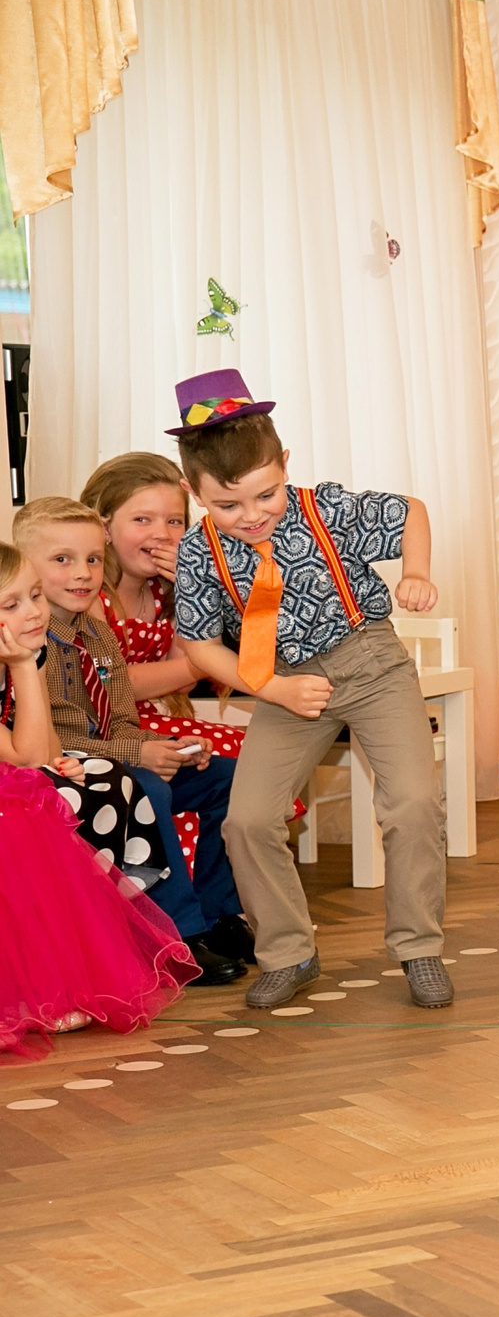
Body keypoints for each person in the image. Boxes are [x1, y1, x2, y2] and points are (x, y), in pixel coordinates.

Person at [167, 371, 453, 1010]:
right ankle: (288, 952)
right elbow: (199, 645)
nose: (252, 517)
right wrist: (270, 690)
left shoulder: (326, 508)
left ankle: (418, 948)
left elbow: (410, 511)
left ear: (284, 465)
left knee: (411, 804)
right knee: (247, 820)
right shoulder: (196, 553)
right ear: (194, 492)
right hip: (283, 687)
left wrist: (417, 572)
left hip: (371, 665)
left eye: (265, 495)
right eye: (228, 505)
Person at [14, 497, 249, 985]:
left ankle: (218, 915)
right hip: (65, 774)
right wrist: (137, 754)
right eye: (63, 560)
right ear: (25, 568)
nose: (83, 573)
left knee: (225, 777)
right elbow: (56, 742)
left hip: (116, 761)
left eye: (94, 559)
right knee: (149, 787)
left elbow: (118, 719)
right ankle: (177, 937)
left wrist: (168, 746)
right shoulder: (25, 641)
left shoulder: (98, 638)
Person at [0, 539, 199, 1058]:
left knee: (103, 778)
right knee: (27, 813)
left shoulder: (23, 651)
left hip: (13, 772)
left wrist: (50, 762)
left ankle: (83, 965)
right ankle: (33, 989)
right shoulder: (19, 658)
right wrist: (25, 669)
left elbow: (39, 752)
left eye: (35, 596)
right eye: (11, 604)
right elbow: (22, 759)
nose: (34, 612)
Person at [84, 451, 249, 761]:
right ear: (103, 528)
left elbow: (182, 683)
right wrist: (206, 661)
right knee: (239, 755)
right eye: (142, 519)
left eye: (174, 521)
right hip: (101, 734)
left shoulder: (163, 591)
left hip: (148, 723)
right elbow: (114, 686)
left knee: (254, 752)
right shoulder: (90, 597)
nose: (161, 533)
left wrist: (192, 589)